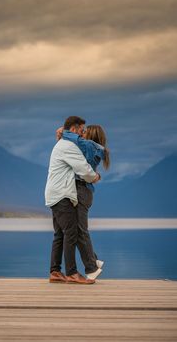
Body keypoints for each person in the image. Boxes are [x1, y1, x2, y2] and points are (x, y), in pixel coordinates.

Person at [45, 116, 102, 284]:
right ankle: (71, 273)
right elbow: (84, 169)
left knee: (60, 234)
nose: (83, 133)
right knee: (71, 233)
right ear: (75, 129)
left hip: (54, 194)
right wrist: (95, 177)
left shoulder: (61, 144)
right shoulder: (69, 146)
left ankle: (55, 271)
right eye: (82, 130)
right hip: (62, 195)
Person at [60, 125, 110, 279]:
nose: (82, 133)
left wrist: (63, 131)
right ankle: (93, 260)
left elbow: (71, 137)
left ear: (91, 134)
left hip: (81, 191)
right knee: (78, 229)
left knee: (81, 230)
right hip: (85, 192)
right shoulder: (97, 148)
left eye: (84, 131)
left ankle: (91, 268)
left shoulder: (88, 145)